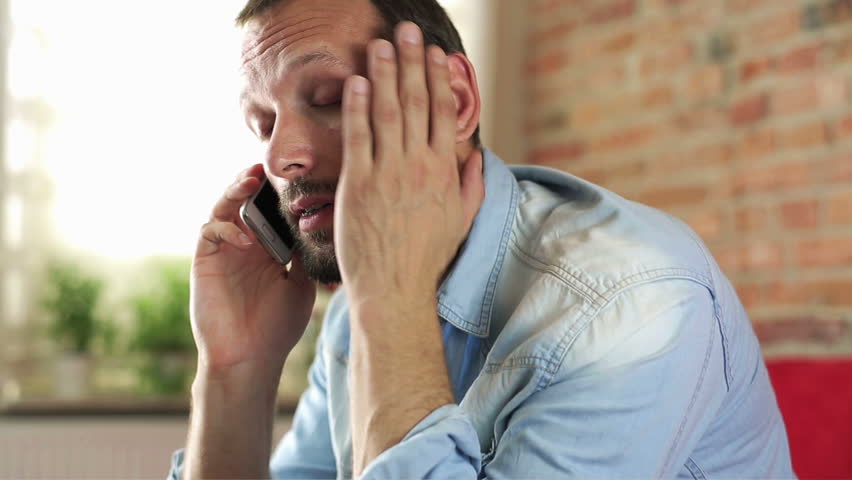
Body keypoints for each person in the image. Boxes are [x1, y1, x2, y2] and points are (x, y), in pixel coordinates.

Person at [169, 0, 795, 478]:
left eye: (329, 99)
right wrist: (234, 373)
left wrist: (391, 295)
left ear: (456, 99)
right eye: (264, 124)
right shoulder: (355, 315)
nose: (282, 157)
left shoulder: (632, 300)